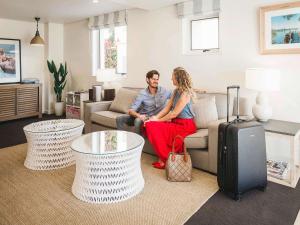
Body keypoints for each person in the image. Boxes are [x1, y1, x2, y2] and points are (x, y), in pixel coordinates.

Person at [144, 67, 196, 169]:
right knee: (149, 123)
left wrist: (157, 120)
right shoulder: (176, 91)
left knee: (153, 125)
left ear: (178, 78)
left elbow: (173, 114)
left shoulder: (185, 93)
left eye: (173, 77)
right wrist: (154, 118)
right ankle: (164, 158)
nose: (171, 79)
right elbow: (167, 109)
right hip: (175, 122)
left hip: (185, 125)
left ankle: (165, 159)